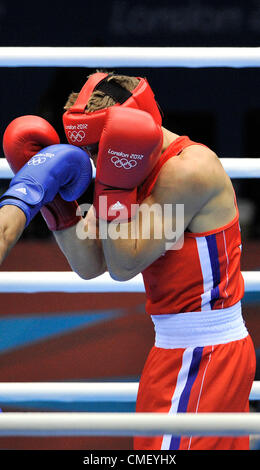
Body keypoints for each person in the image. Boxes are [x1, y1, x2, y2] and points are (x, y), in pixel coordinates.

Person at [0, 71, 256, 451]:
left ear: (129, 133)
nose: (91, 161)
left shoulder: (189, 170)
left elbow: (122, 266)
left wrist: (111, 190)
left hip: (205, 353)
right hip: (173, 350)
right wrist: (60, 207)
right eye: (86, 150)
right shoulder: (127, 170)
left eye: (98, 149)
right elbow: (90, 264)